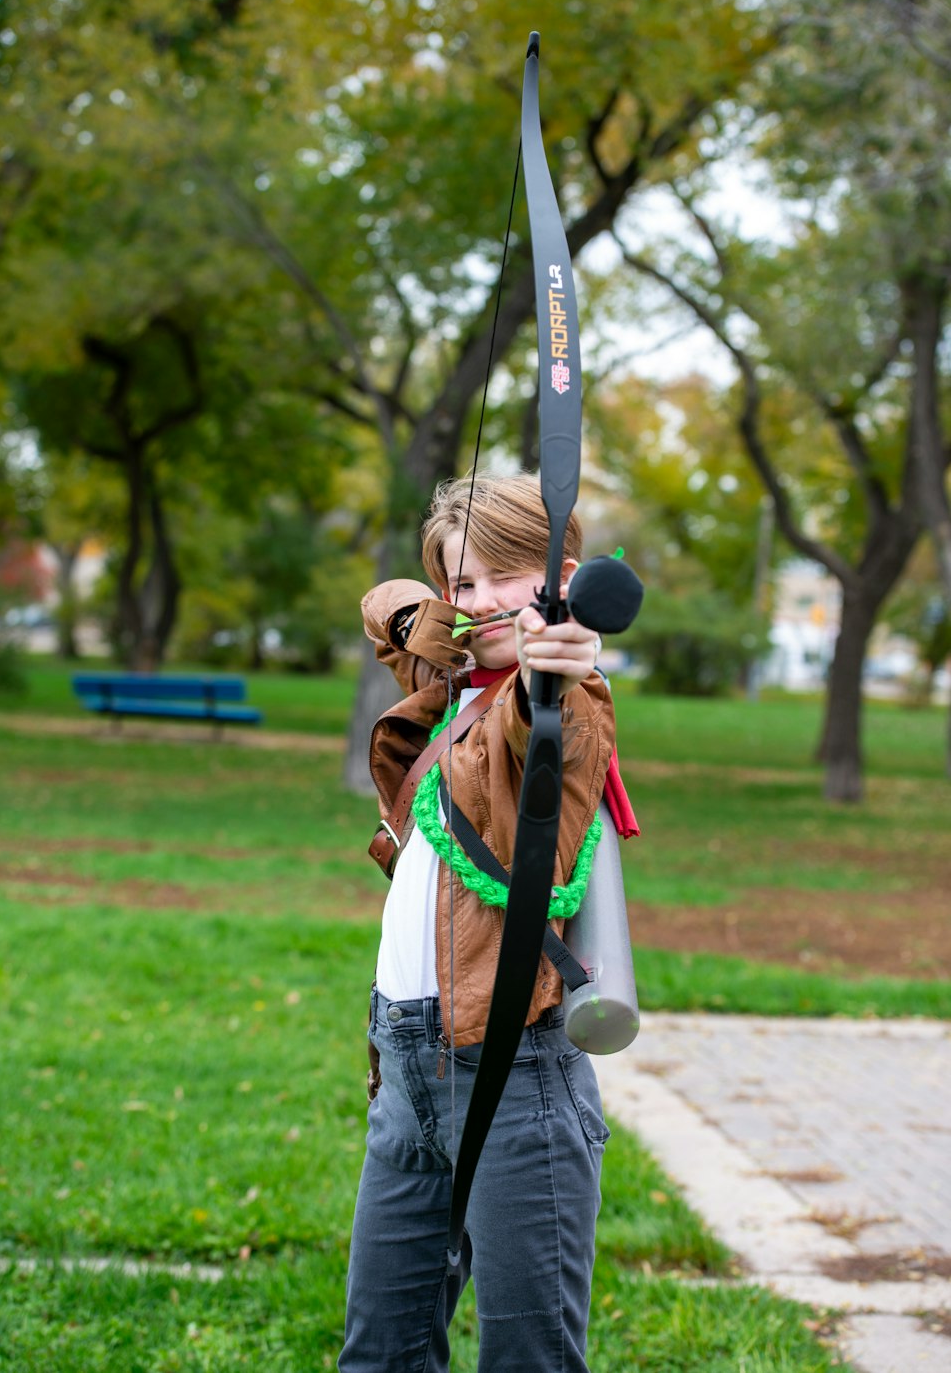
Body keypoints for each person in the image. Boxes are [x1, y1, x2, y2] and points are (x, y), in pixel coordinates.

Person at [339, 472, 629, 1373]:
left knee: (527, 1360)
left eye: (512, 574)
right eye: (466, 583)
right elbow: (382, 603)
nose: (486, 600)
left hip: (514, 1078)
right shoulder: (457, 688)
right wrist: (446, 616)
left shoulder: (556, 706)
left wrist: (559, 657)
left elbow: (554, 719)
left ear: (563, 579)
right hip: (408, 1071)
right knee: (379, 1356)